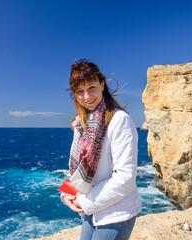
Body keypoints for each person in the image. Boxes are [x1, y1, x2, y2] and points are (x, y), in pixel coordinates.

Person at [61, 59, 141, 240]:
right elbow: (79, 171)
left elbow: (125, 178)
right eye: (80, 92)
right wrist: (68, 195)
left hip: (116, 214)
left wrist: (83, 201)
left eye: (92, 88)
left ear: (102, 85)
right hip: (92, 211)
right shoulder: (81, 123)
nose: (87, 97)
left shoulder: (120, 120)